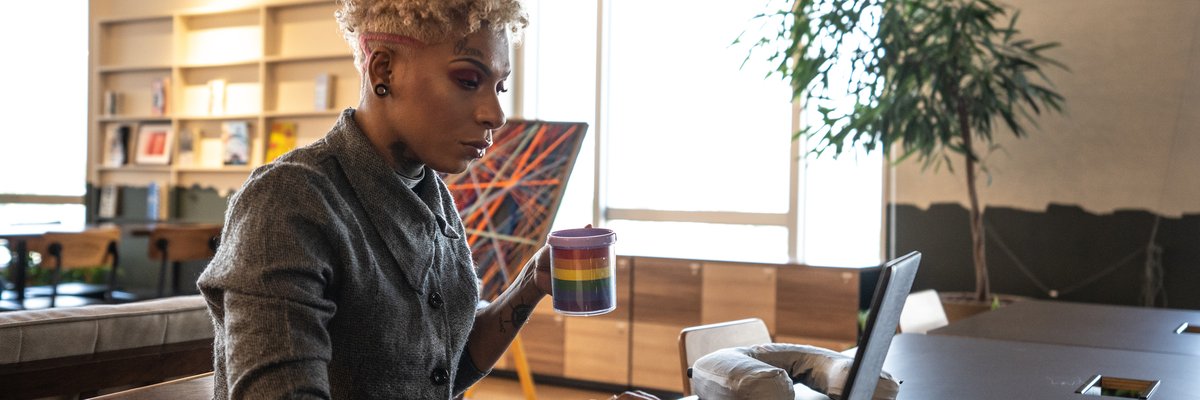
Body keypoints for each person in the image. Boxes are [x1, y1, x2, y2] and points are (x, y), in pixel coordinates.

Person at [197, 0, 661, 399]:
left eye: (499, 86)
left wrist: (529, 285)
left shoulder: (431, 194)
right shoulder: (288, 202)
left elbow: (438, 371)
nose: (496, 114)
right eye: (468, 80)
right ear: (384, 70)